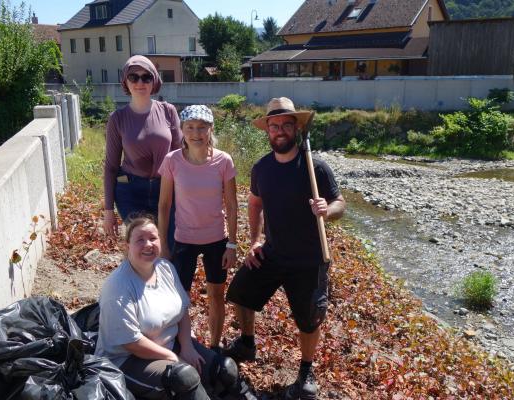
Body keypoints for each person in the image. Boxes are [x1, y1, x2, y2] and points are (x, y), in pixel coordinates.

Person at [224, 98, 346, 400]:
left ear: (296, 128)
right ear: (267, 130)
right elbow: (255, 203)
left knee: (309, 319)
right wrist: (256, 240)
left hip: (309, 259)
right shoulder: (262, 168)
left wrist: (326, 210)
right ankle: (246, 342)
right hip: (273, 252)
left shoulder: (314, 167)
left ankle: (306, 372)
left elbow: (340, 204)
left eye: (285, 125)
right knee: (240, 291)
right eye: (274, 125)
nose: (279, 131)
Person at [95, 215, 256, 400]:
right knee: (184, 378)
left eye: (153, 238)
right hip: (126, 359)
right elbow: (132, 343)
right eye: (140, 239)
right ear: (127, 246)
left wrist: (187, 346)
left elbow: (182, 311)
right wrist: (171, 356)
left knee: (224, 369)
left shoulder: (165, 268)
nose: (148, 244)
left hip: (171, 344)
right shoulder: (118, 287)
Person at [158, 105, 237, 352]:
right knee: (180, 298)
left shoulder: (224, 161)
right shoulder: (172, 160)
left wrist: (232, 244)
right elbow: (164, 205)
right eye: (190, 127)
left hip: (216, 239)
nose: (196, 133)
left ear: (210, 129)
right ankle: (182, 343)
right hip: (184, 239)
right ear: (181, 130)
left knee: (216, 294)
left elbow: (233, 206)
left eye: (202, 127)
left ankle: (214, 346)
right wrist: (163, 244)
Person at [103, 55, 181, 249]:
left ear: (154, 81)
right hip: (131, 191)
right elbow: (111, 167)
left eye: (146, 77)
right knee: (142, 248)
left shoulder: (168, 111)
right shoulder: (118, 119)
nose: (140, 82)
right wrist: (108, 211)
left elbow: (180, 158)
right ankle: (137, 280)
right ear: (125, 81)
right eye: (134, 77)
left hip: (166, 189)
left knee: (167, 247)